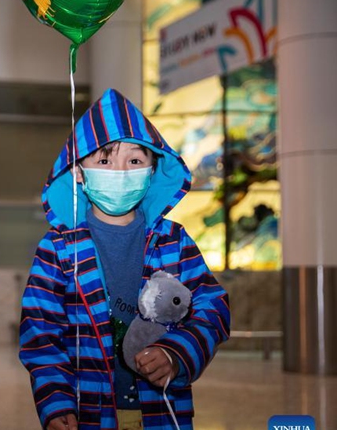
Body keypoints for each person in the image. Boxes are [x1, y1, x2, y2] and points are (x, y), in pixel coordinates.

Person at [19, 88, 230, 430]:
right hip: (86, 411)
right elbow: (40, 333)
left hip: (162, 412)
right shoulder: (57, 249)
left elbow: (213, 307)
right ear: (78, 171)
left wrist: (177, 354)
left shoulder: (173, 241)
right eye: (104, 160)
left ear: (152, 169)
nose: (120, 171)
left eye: (134, 160)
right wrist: (55, 401)